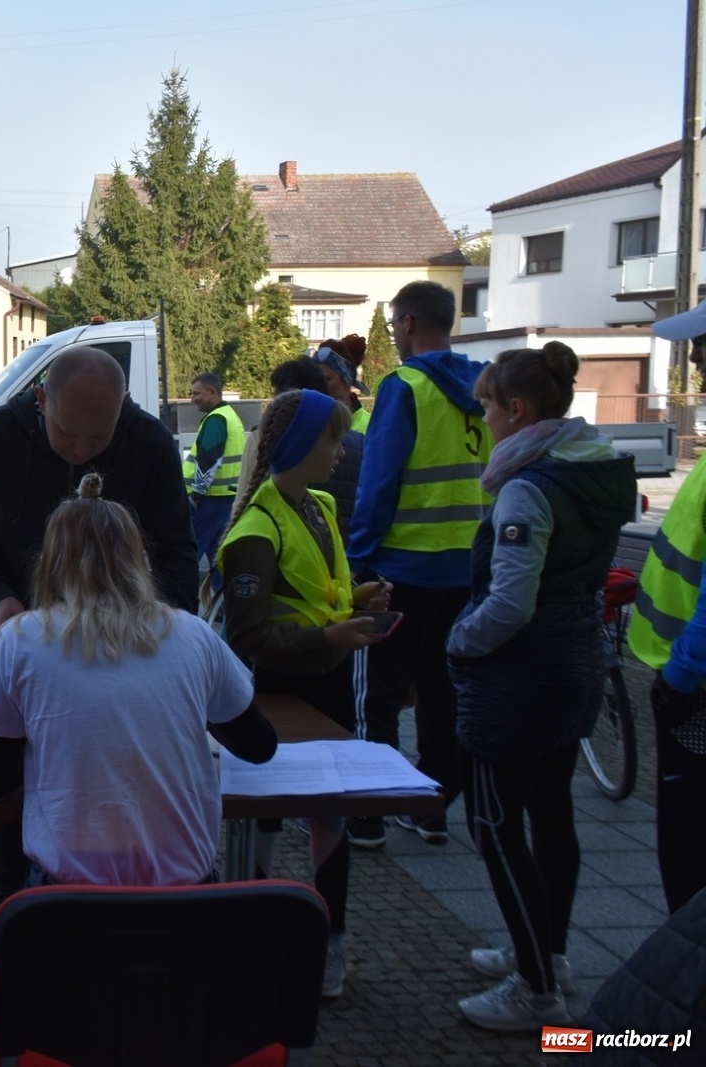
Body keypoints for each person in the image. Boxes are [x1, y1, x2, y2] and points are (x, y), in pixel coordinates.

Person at [0, 345, 199, 902]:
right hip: (19, 634)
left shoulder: (149, 443)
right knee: (8, 770)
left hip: (133, 645)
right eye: (68, 435)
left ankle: (131, 880)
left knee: (120, 766)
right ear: (40, 402)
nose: (82, 452)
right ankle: (11, 898)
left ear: (123, 409)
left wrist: (165, 627)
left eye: (98, 438)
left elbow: (178, 550)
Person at [444, 343, 633, 1031]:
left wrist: (457, 640)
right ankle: (546, 951)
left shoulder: (528, 485)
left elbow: (510, 601)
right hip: (575, 660)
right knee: (553, 813)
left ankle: (535, 988)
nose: (484, 417)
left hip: (520, 676)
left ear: (517, 410)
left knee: (495, 823)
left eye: (488, 406)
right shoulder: (595, 469)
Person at [0, 472, 275, 889]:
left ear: (51, 561)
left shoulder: (21, 640)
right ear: (137, 556)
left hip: (70, 898)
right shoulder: (192, 634)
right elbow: (258, 746)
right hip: (187, 899)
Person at [216, 388, 393, 999]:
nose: (342, 452)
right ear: (296, 446)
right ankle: (257, 935)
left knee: (330, 818)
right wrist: (326, 634)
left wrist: (359, 598)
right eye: (332, 439)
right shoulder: (255, 531)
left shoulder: (317, 506)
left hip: (329, 689)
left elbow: (317, 589)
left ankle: (329, 943)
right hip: (276, 702)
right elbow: (247, 635)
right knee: (266, 819)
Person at [345, 281, 490, 850]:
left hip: (400, 569)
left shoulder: (404, 387)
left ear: (406, 324)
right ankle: (432, 809)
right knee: (442, 693)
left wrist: (358, 560)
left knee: (376, 694)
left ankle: (369, 814)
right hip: (465, 570)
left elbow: (379, 485)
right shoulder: (485, 386)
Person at [630, 306, 706, 915]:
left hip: (695, 689)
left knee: (687, 854)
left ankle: (684, 1003)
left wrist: (679, 679)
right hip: (684, 675)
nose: (697, 362)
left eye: (705, 347)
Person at [236, 357, 364, 541]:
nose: (340, 452)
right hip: (352, 557)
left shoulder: (264, 440)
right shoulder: (359, 443)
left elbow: (244, 501)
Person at [184, 372, 246, 567]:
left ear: (212, 392)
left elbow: (208, 460)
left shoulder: (216, 419)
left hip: (209, 500)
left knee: (187, 555)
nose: (192, 399)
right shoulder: (230, 416)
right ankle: (224, 596)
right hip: (225, 499)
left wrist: (197, 493)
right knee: (219, 560)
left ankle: (178, 596)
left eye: (196, 394)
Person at [314, 335, 372, 433]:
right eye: (315, 378)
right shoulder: (311, 424)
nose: (318, 385)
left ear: (346, 380)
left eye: (326, 379)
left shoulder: (370, 428)